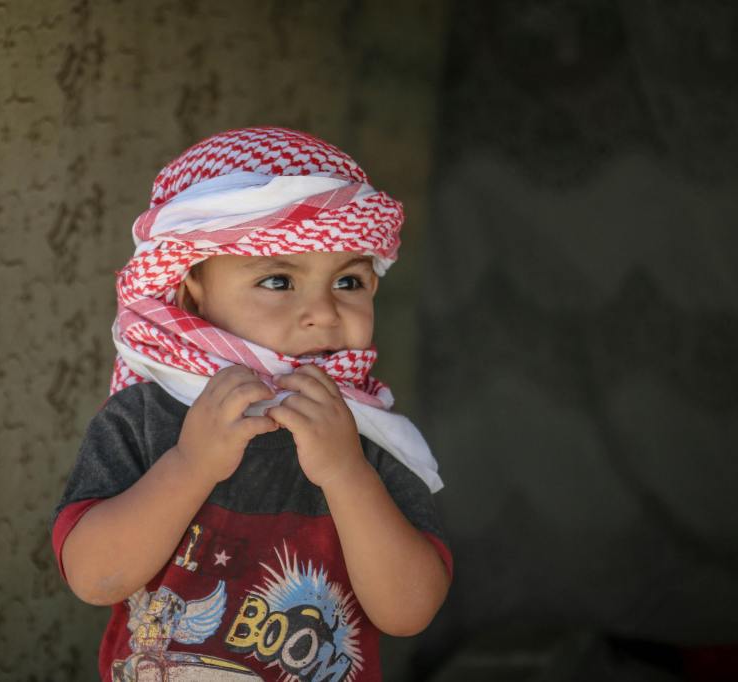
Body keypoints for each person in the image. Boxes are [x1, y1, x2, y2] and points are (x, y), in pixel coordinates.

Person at [52, 126, 452, 682]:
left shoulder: (368, 434)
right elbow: (94, 578)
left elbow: (409, 612)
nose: (324, 313)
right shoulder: (143, 417)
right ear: (191, 288)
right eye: (279, 281)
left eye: (349, 282)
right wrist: (191, 464)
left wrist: (345, 472)